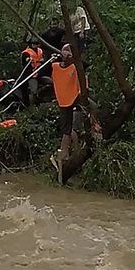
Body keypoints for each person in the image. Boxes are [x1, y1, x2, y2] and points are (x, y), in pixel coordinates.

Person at [50, 44, 85, 182]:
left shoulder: (77, 67)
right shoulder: (55, 66)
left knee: (70, 130)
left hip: (76, 99)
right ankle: (66, 154)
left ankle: (68, 153)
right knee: (67, 130)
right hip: (63, 101)